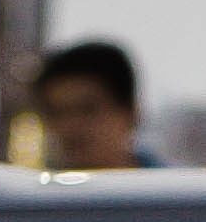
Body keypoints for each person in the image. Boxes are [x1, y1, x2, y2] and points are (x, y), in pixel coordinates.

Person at [34, 41, 159, 170]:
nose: (71, 125)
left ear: (131, 113)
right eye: (57, 113)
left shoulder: (171, 188)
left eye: (88, 109)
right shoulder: (33, 189)